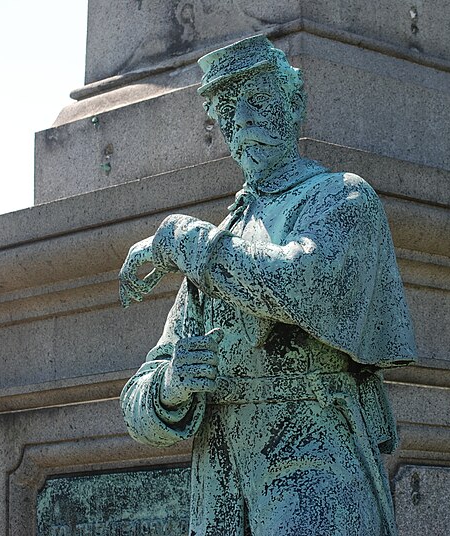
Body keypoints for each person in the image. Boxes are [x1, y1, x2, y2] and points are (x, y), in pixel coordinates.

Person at [119, 35, 416, 536]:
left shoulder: (341, 199)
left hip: (315, 469)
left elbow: (294, 283)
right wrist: (172, 388)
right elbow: (137, 400)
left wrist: (176, 238)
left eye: (258, 102)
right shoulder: (226, 237)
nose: (242, 122)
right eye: (227, 113)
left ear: (294, 104)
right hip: (222, 488)